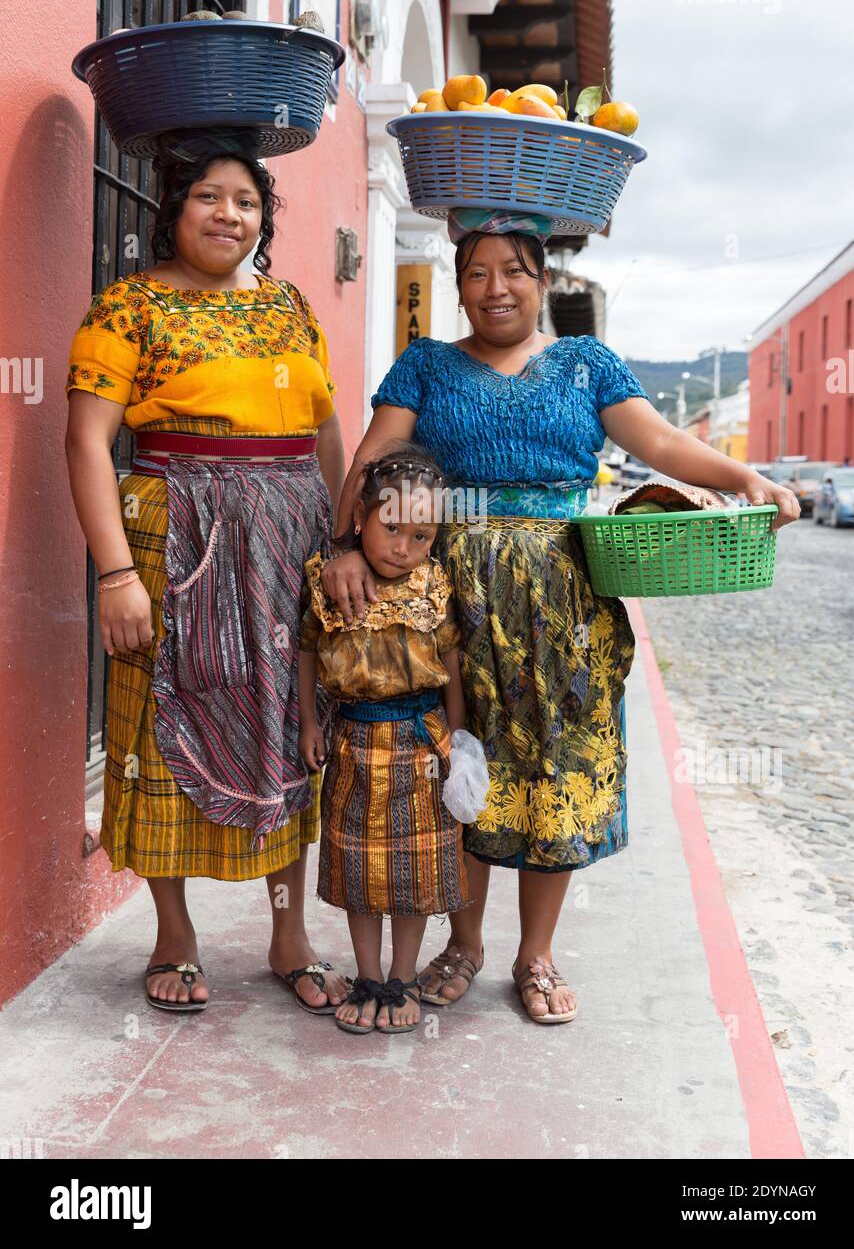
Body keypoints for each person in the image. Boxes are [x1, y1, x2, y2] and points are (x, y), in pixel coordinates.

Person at [321, 209, 800, 1026]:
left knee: (557, 764)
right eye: (475, 273)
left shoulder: (584, 363)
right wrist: (343, 545)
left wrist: (746, 477)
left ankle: (534, 953)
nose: (494, 288)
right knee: (462, 765)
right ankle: (462, 945)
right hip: (453, 597)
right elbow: (372, 457)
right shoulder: (426, 365)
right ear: (459, 285)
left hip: (566, 598)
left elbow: (656, 441)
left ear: (543, 281)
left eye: (514, 270)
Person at [65, 131, 350, 1015]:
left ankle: (288, 934)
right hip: (173, 536)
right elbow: (84, 440)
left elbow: (327, 431)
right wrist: (115, 574)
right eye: (209, 197)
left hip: (290, 541)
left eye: (248, 202)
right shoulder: (130, 308)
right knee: (160, 727)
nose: (231, 215)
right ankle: (175, 936)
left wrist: (344, 544)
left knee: (294, 727)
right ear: (173, 210)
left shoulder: (293, 307)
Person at [298, 445, 468, 1034]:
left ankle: (400, 980)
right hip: (351, 742)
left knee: (413, 874)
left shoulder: (437, 585)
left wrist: (461, 742)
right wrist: (310, 723)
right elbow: (305, 651)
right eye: (391, 527)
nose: (403, 547)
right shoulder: (329, 579)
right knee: (358, 870)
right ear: (362, 517)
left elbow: (451, 661)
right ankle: (367, 976)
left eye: (421, 536)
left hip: (422, 745)